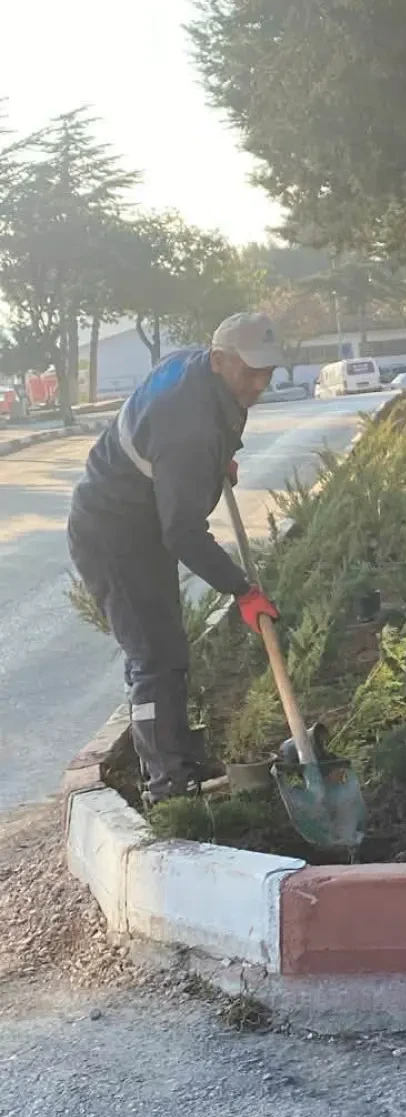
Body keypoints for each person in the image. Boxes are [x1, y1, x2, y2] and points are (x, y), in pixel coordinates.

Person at [67, 312, 283, 805]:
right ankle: (168, 787)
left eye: (267, 372)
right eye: (251, 371)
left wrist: (216, 462)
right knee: (154, 657)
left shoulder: (198, 372)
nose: (260, 383)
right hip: (114, 534)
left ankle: (173, 759)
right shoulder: (189, 429)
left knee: (165, 648)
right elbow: (183, 533)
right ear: (220, 360)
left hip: (140, 522)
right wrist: (242, 591)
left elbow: (182, 442)